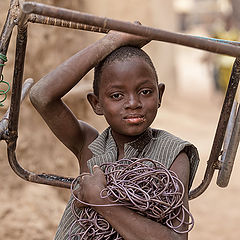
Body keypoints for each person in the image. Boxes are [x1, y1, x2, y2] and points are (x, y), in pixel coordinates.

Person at [30, 25, 199, 240]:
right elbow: (41, 96)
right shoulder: (89, 145)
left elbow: (177, 238)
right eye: (117, 95)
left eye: (145, 92)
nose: (133, 103)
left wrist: (101, 201)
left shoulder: (174, 154)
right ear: (96, 103)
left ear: (160, 94)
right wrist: (112, 41)